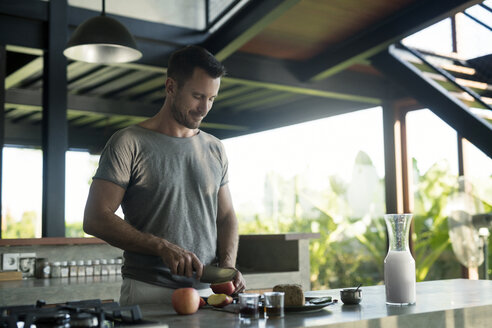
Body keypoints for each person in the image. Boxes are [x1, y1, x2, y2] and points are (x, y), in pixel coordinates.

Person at [83, 45, 246, 306]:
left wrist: (226, 270)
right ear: (171, 87)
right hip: (147, 290)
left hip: (207, 292)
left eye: (212, 98)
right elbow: (95, 218)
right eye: (197, 96)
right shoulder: (128, 142)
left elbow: (225, 216)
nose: (204, 108)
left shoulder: (216, 148)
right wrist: (161, 246)